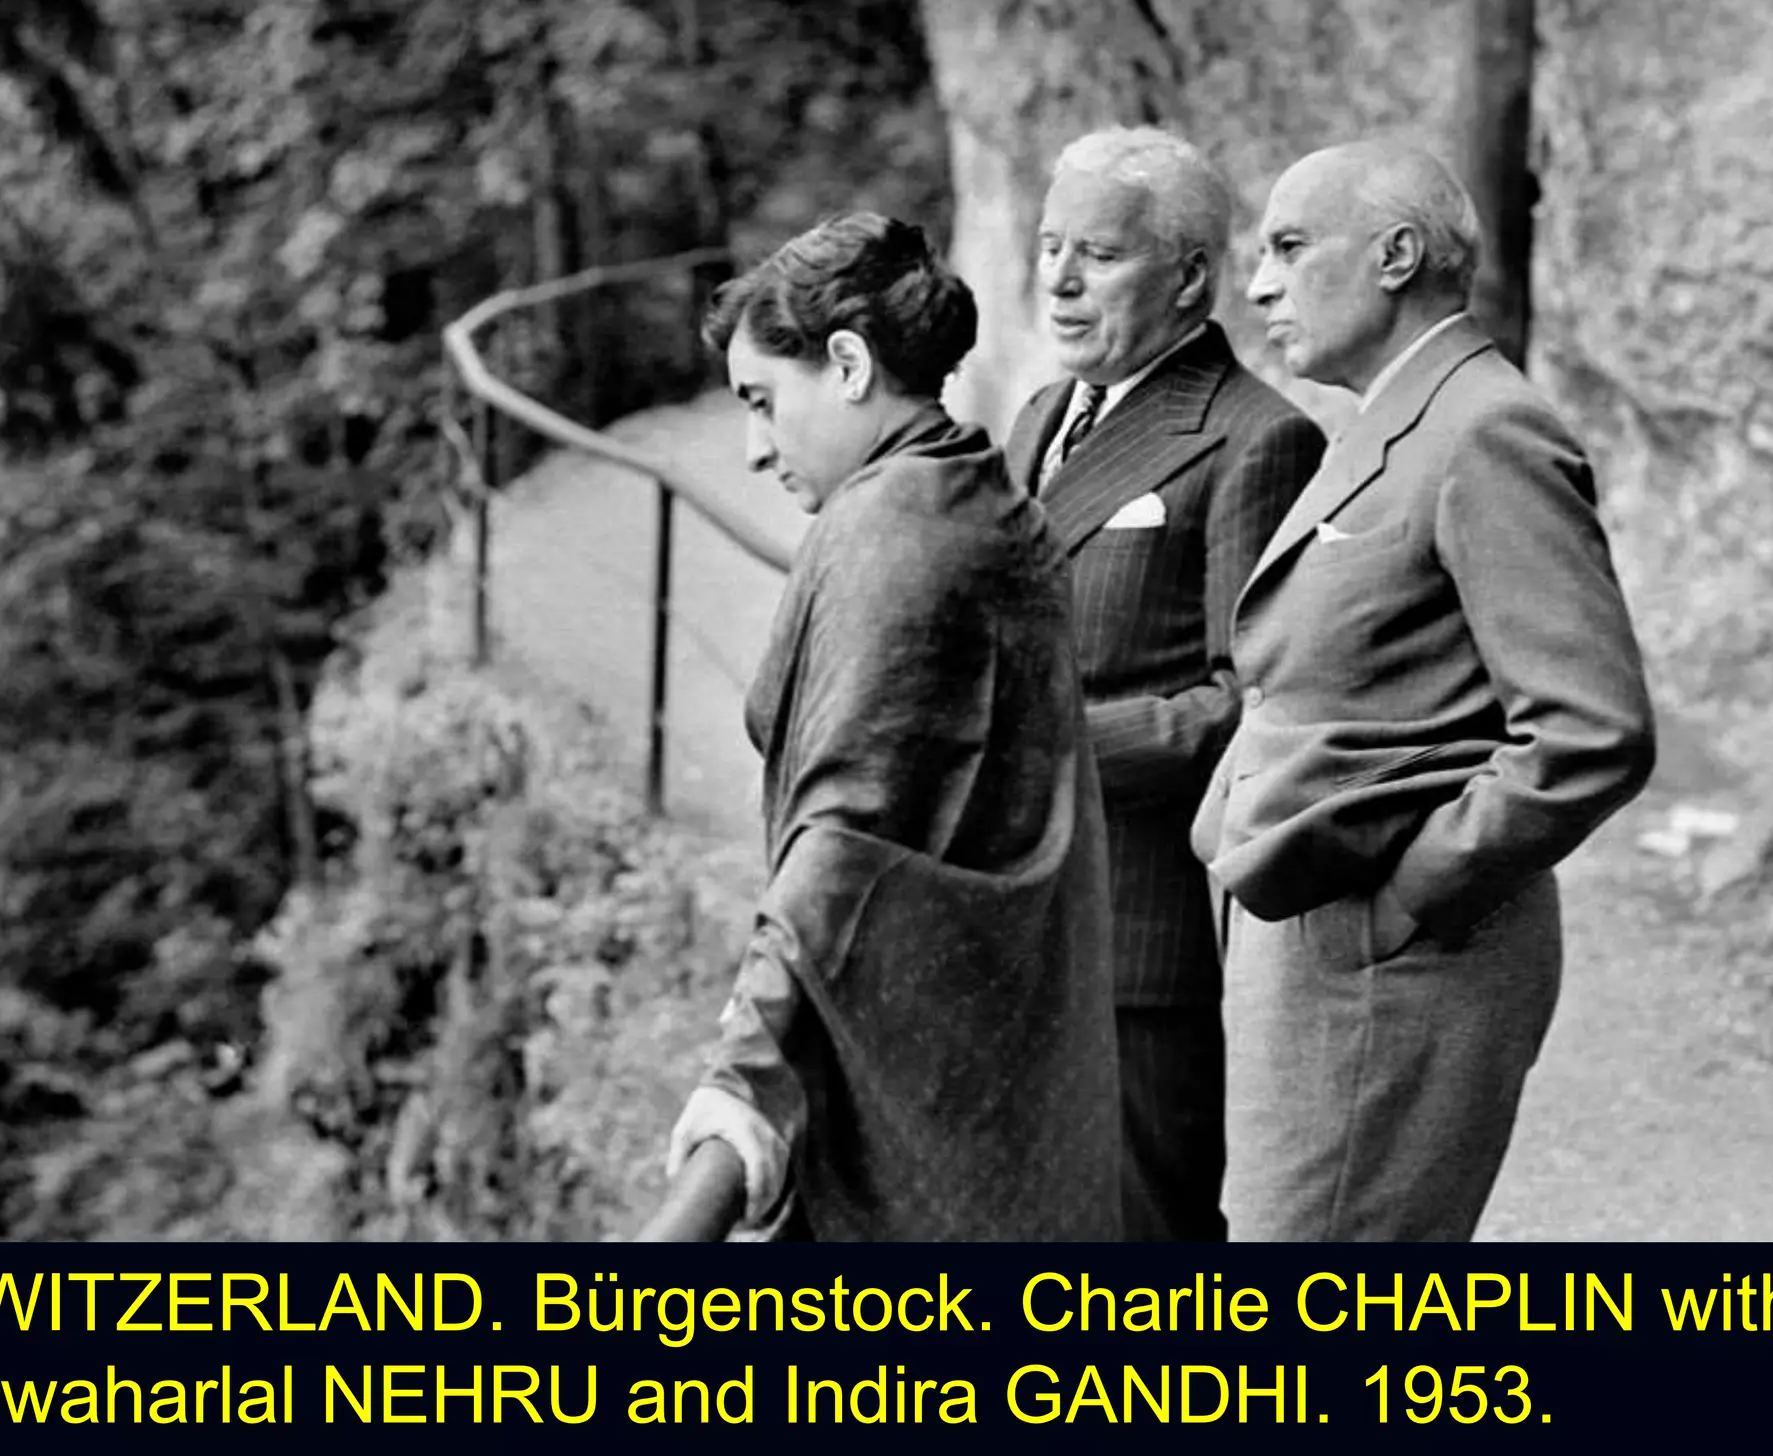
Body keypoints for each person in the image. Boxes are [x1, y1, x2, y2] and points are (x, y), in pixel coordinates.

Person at [1191, 139, 1656, 1241]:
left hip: (1386, 963)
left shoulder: (1486, 428)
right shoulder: (1398, 421)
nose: (1257, 284)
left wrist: (1413, 893)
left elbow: (1589, 730)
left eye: (1290, 247)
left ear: (1396, 254)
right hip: (1324, 946)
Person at [639, 212, 1122, 1242]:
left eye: (763, 402)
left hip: (922, 1077)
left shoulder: (896, 538)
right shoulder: (971, 488)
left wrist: (746, 1063)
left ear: (848, 364)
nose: (753, 447)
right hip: (993, 1043)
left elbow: (843, 833)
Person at [1006, 126, 1326, 1242]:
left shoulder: (1257, 439)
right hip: (1009, 911)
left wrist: (1035, 751)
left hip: (1136, 938)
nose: (1056, 277)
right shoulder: (1042, 417)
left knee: (1148, 1239)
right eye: (1049, 245)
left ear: (1188, 277)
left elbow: (1248, 704)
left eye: (1095, 253)